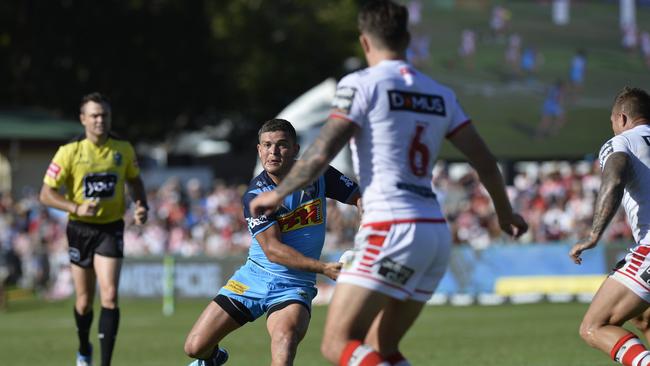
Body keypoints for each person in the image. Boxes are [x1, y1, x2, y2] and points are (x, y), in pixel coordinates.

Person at [249, 1, 528, 365]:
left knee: (337, 344)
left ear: (365, 43)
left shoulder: (360, 85)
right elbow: (486, 162)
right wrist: (505, 214)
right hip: (434, 234)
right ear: (407, 39)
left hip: (391, 227)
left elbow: (320, 153)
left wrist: (280, 193)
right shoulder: (440, 94)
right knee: (383, 348)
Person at [184, 119, 361, 366]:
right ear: (259, 150)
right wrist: (323, 268)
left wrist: (366, 239)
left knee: (284, 341)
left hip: (293, 285)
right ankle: (212, 359)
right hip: (253, 278)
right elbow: (274, 250)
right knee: (194, 347)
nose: (273, 152)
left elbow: (360, 197)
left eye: (281, 145)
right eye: (267, 145)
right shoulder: (256, 196)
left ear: (296, 150)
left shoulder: (319, 174)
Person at [39, 92, 148, 366]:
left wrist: (141, 204)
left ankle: (106, 362)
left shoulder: (122, 148)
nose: (100, 120)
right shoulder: (69, 152)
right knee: (84, 301)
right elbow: (45, 194)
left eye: (105, 115)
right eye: (95, 115)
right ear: (83, 119)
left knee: (109, 295)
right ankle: (83, 347)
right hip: (80, 228)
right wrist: (75, 208)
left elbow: (135, 180)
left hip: (111, 229)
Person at [570, 87, 650, 366]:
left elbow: (614, 177)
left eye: (613, 122)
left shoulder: (621, 142)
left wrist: (594, 234)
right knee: (644, 317)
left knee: (594, 327)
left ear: (623, 118)